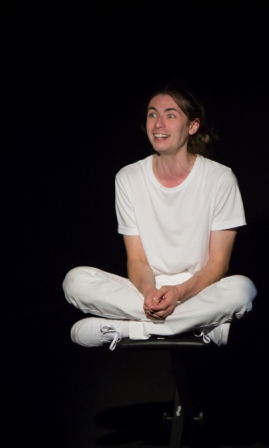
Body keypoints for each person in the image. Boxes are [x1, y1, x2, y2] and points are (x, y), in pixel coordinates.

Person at [62, 85, 256, 350]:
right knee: (75, 282)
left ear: (192, 126)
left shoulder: (220, 179)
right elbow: (137, 260)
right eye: (152, 114)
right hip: (145, 292)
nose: (158, 123)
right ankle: (200, 325)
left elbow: (218, 264)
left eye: (170, 115)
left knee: (243, 290)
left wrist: (178, 293)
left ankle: (130, 329)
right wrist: (149, 292)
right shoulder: (128, 178)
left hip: (198, 291)